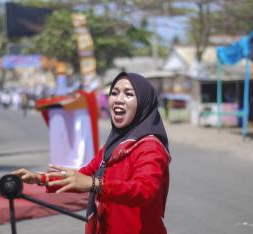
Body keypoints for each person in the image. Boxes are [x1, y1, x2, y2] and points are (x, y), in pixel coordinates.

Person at [12, 72, 171, 234]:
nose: (118, 99)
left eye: (129, 94)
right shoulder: (115, 143)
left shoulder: (150, 146)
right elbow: (85, 175)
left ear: (144, 104)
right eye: (114, 93)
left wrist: (96, 184)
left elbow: (144, 190)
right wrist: (41, 178)